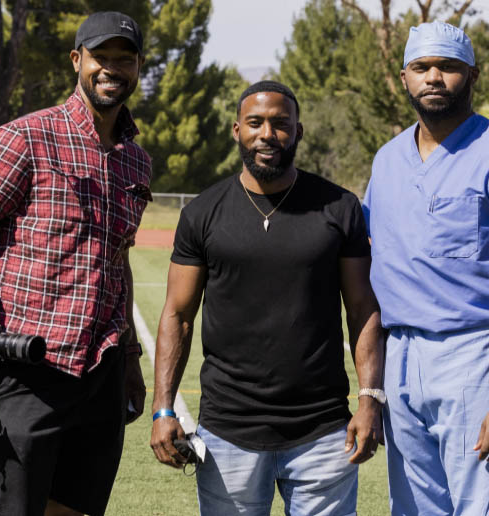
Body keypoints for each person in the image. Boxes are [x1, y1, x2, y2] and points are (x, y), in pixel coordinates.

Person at [0, 11, 151, 516]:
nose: (111, 68)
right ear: (77, 61)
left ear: (138, 68)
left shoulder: (137, 160)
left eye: (124, 59)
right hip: (27, 369)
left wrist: (130, 357)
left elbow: (119, 263)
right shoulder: (24, 137)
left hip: (102, 369)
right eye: (100, 57)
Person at [149, 80, 385, 516]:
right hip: (227, 432)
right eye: (255, 123)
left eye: (280, 123)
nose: (267, 134)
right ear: (237, 129)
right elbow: (178, 315)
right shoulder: (201, 212)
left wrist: (370, 398)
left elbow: (362, 309)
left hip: (323, 431)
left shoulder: (340, 207)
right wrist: (163, 407)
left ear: (299, 132)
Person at [362, 22, 489, 515]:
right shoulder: (388, 161)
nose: (434, 77)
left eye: (448, 67)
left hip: (477, 356)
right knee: (413, 509)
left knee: (487, 507)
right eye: (422, 67)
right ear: (404, 77)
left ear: (472, 75)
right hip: (401, 358)